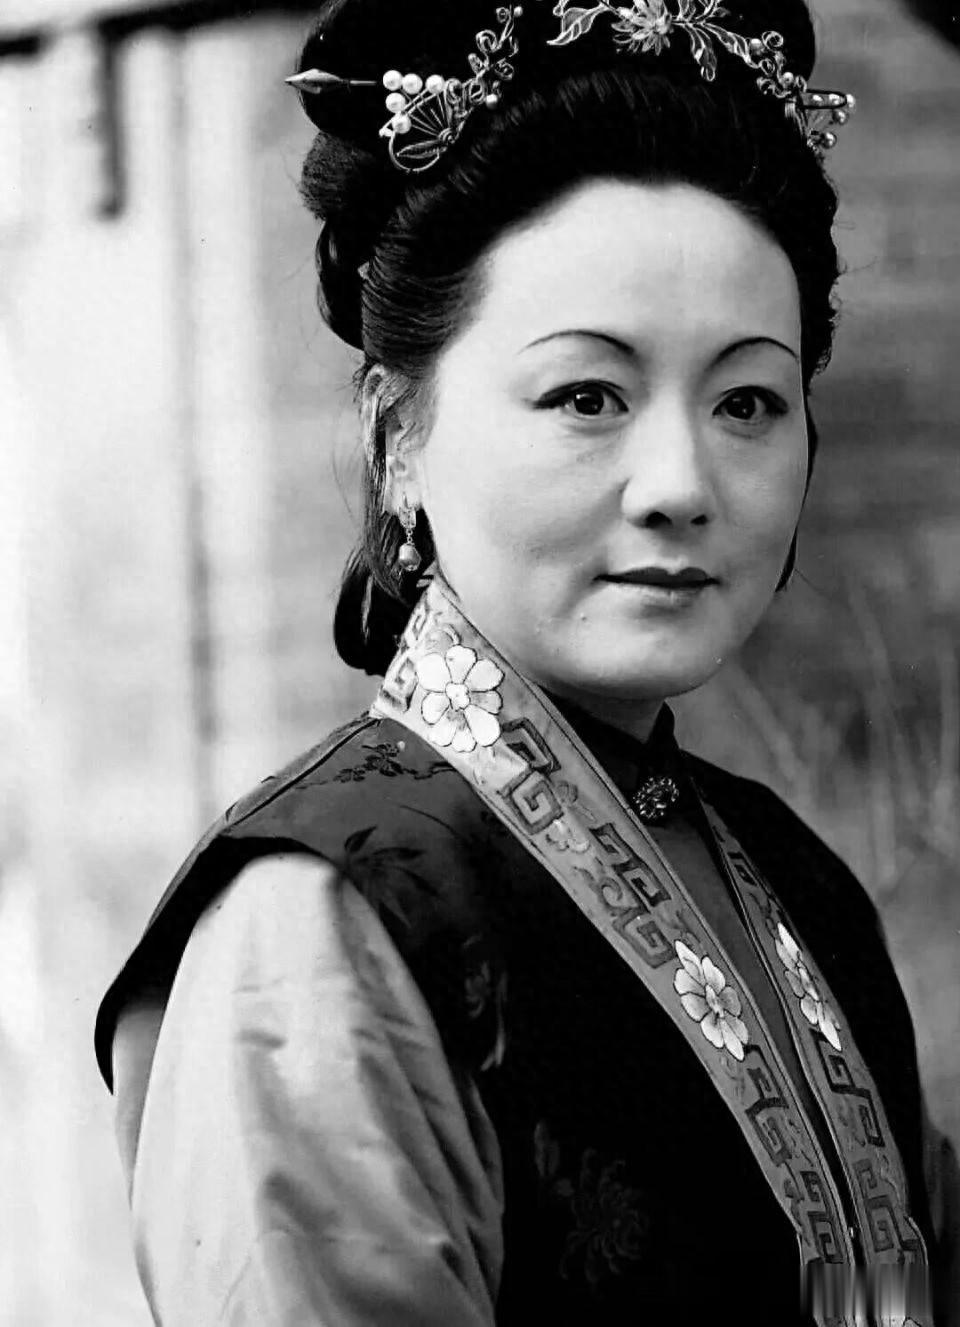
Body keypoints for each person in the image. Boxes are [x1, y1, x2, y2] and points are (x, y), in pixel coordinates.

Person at [94, 1, 959, 1323]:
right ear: (399, 439)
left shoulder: (800, 885)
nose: (681, 485)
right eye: (585, 397)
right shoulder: (325, 927)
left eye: (747, 401)